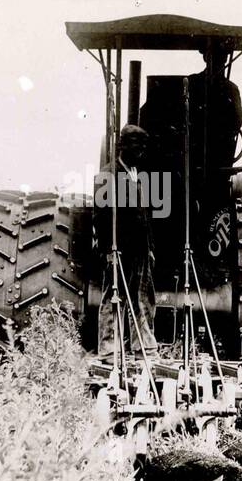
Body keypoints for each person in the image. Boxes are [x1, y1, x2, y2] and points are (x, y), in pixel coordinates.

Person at [97, 123, 157, 354]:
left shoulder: (138, 175)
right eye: (136, 145)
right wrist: (107, 250)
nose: (141, 150)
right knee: (114, 295)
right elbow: (100, 217)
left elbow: (145, 216)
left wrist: (149, 247)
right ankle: (109, 346)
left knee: (142, 297)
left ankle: (143, 344)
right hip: (119, 248)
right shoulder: (107, 175)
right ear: (122, 145)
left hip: (140, 249)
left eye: (143, 146)